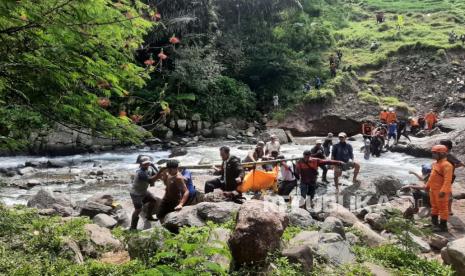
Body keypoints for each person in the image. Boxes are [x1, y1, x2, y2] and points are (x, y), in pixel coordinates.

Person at [130, 157, 165, 230]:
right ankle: (133, 227)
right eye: (144, 164)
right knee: (138, 210)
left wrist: (154, 167)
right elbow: (151, 180)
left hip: (144, 191)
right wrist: (160, 171)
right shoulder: (140, 173)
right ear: (140, 165)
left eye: (148, 163)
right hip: (136, 194)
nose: (146, 165)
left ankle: (149, 216)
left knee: (153, 200)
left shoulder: (148, 169)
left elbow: (156, 175)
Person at [426, 145, 454, 232]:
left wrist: (443, 191)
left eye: (435, 153)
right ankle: (434, 223)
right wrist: (427, 185)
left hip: (441, 191)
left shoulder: (447, 165)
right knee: (434, 206)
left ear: (442, 154)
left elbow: (447, 180)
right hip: (433, 190)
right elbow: (431, 177)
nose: (433, 155)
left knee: (443, 208)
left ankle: (443, 226)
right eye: (433, 153)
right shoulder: (436, 164)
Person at [440, 139, 464, 216]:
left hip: (447, 177)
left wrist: (452, 168)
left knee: (447, 192)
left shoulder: (449, 155)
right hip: (442, 176)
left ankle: (449, 210)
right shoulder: (444, 154)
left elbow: (461, 163)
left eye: (441, 145)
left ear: (446, 147)